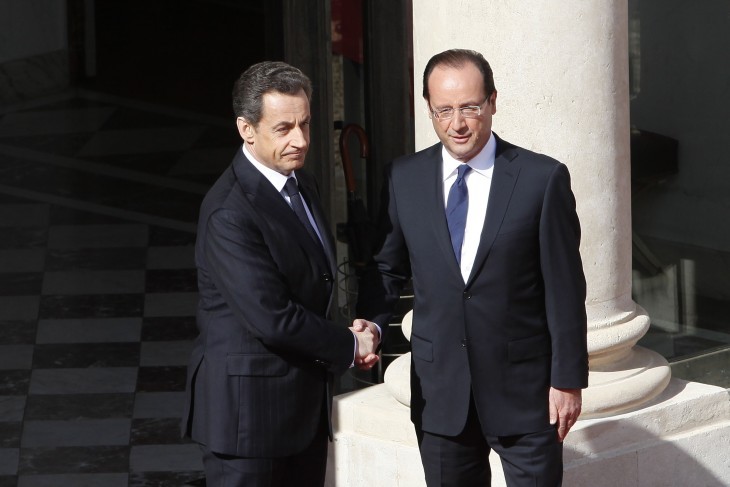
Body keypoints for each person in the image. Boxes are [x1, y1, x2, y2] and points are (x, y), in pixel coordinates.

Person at [356, 49, 588, 486]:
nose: (457, 123)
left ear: (493, 102)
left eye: (469, 108)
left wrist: (568, 380)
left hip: (527, 393)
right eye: (444, 110)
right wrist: (369, 322)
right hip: (440, 391)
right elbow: (386, 268)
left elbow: (565, 289)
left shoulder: (542, 179)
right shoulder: (403, 177)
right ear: (429, 109)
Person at [182, 61, 379, 487]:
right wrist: (347, 343)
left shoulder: (301, 182)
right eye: (284, 127)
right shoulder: (229, 212)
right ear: (246, 129)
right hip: (247, 424)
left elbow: (311, 282)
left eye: (305, 124)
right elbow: (272, 316)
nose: (300, 140)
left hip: (299, 413)